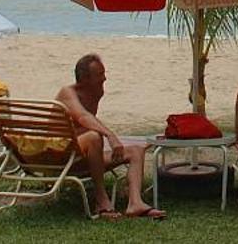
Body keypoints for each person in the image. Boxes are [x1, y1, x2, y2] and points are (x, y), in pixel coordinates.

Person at [56, 53, 164, 219]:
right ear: (84, 78)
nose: (104, 79)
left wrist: (111, 138)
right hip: (64, 158)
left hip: (84, 157)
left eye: (104, 73)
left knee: (135, 151)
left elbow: (89, 120)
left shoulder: (95, 92)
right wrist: (110, 136)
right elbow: (83, 117)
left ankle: (135, 203)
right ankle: (101, 200)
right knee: (93, 137)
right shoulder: (67, 93)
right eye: (100, 74)